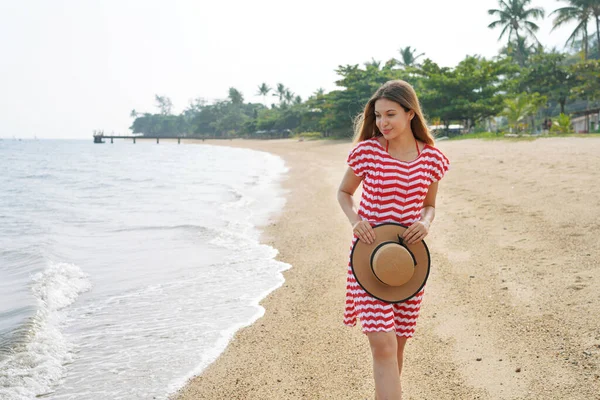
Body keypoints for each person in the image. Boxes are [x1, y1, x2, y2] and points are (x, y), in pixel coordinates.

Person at [337, 80, 450, 399]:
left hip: (409, 262)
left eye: (391, 114)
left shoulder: (432, 158)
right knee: (383, 346)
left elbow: (430, 206)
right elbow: (344, 193)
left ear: (410, 113)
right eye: (378, 115)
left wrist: (425, 222)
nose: (383, 122)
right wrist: (356, 220)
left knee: (398, 344)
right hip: (368, 259)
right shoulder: (367, 152)